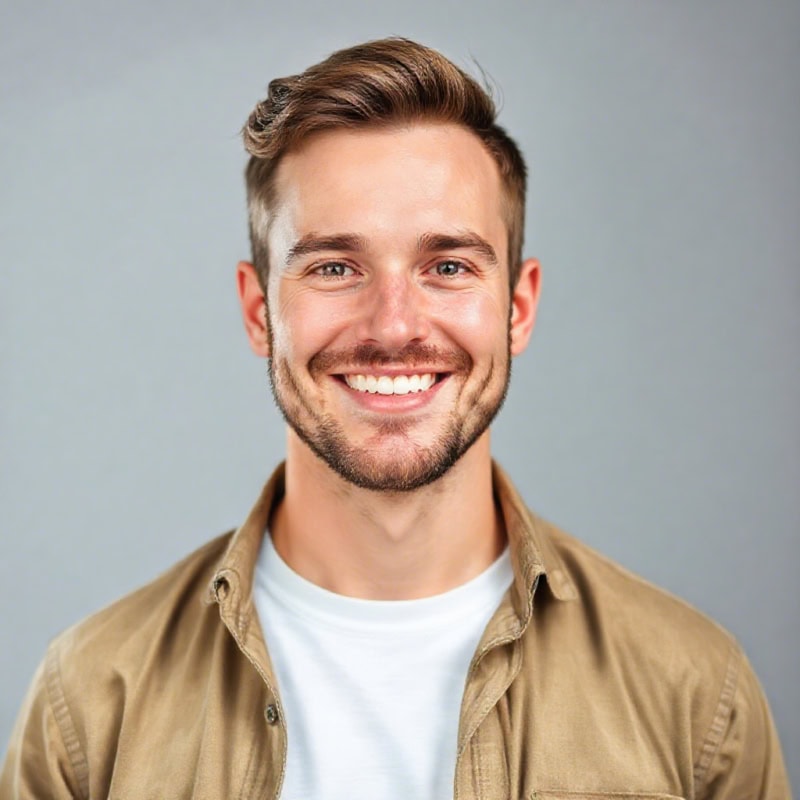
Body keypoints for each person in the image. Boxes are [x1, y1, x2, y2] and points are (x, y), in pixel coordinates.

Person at [1, 37, 790, 800]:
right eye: (335, 267)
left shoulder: (695, 694)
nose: (393, 325)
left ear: (518, 307)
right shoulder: (91, 703)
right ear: (258, 311)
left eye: (447, 266)